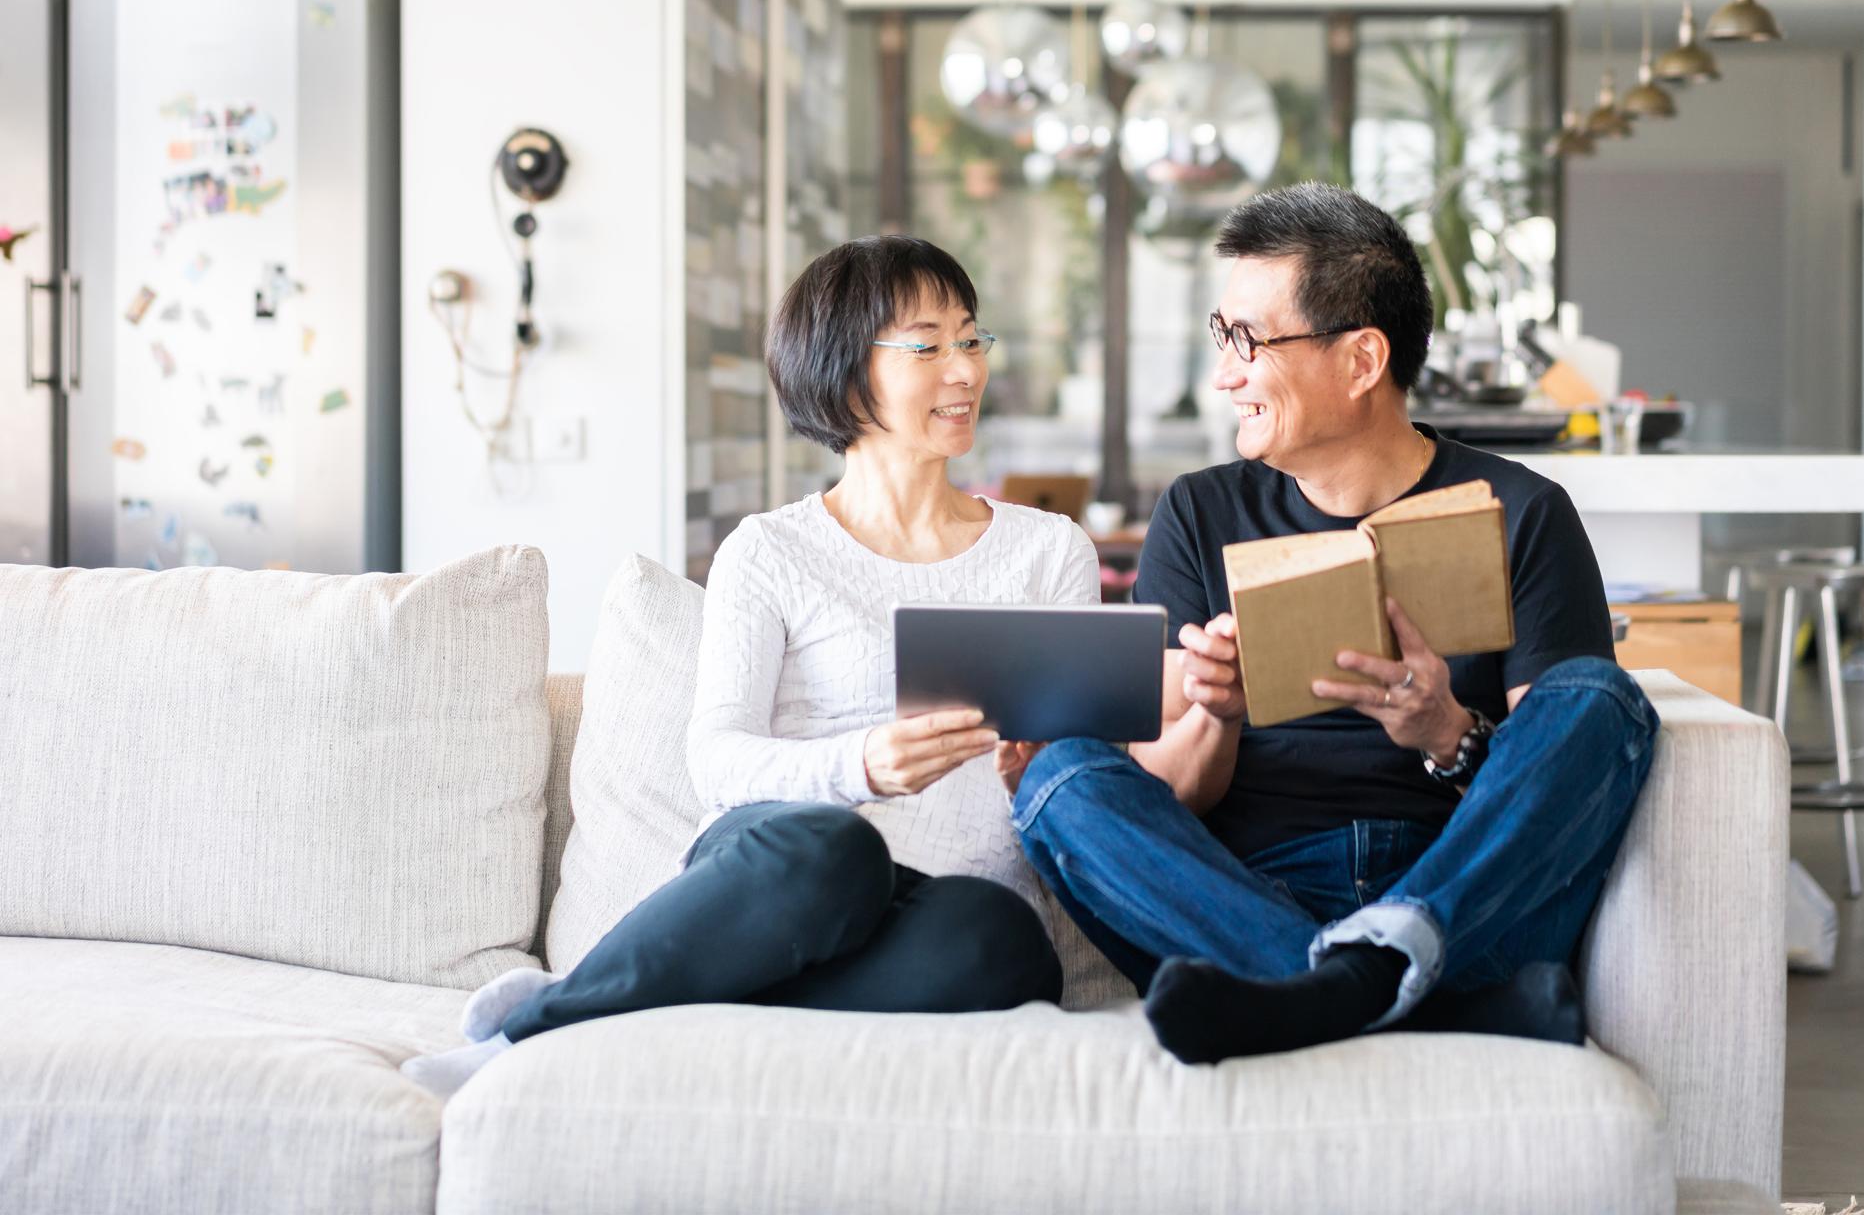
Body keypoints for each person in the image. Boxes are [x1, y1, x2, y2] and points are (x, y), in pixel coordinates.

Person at [403, 235, 1098, 1097]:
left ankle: (648, 1011)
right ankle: (534, 1034)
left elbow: (1078, 755)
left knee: (1006, 948)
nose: (963, 369)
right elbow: (718, 759)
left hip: (942, 906)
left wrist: (1046, 761)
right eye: (927, 345)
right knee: (835, 846)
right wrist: (862, 764)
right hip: (791, 871)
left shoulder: (1048, 551)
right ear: (845, 372)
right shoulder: (770, 551)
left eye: (970, 338)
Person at [1000, 182, 1658, 1065]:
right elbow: (1172, 790)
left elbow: (1557, 783)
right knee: (1062, 776)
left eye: (1249, 341)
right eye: (1220, 337)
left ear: (1360, 360)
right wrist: (1216, 713)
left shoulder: (1523, 511)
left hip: (1456, 885)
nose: (1225, 372)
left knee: (1598, 695)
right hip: (1247, 891)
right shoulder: (1199, 513)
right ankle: (1400, 995)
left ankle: (1328, 986)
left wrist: (1445, 731)